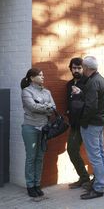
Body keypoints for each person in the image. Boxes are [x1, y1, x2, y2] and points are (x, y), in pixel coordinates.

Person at [21, 68, 55, 197]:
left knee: (40, 157)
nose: (43, 77)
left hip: (44, 128)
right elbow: (32, 107)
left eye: (43, 75)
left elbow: (54, 108)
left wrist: (44, 107)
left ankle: (37, 184)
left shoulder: (47, 92)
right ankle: (30, 186)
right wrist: (47, 106)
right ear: (31, 78)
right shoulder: (26, 91)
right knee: (31, 157)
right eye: (40, 75)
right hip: (30, 128)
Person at [79, 56, 104, 200]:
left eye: (82, 67)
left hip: (92, 124)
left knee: (95, 156)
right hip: (99, 122)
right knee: (100, 154)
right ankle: (99, 181)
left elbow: (91, 106)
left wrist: (82, 121)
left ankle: (98, 187)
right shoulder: (101, 80)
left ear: (86, 68)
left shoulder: (93, 82)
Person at [66, 57, 91, 189]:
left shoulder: (88, 83)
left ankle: (92, 180)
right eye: (74, 68)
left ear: (83, 68)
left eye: (79, 68)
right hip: (74, 124)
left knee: (94, 151)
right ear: (70, 69)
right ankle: (84, 177)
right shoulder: (69, 84)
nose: (76, 70)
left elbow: (90, 102)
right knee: (71, 149)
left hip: (86, 123)